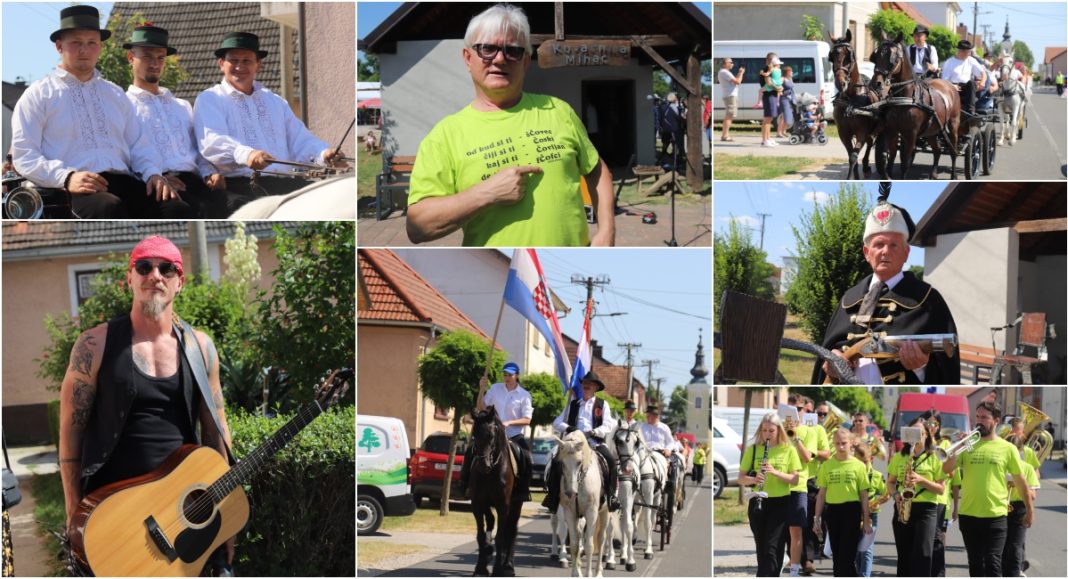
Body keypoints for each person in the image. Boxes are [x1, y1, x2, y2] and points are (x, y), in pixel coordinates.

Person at [58, 236, 233, 575]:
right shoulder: (94, 344)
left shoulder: (200, 347)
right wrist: (71, 510)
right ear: (130, 278)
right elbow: (70, 433)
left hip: (180, 511)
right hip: (115, 513)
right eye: (144, 266)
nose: (156, 275)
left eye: (167, 268)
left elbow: (216, 433)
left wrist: (223, 515)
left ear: (179, 283)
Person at [406, 4, 614, 247]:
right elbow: (417, 226)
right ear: (467, 58)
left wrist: (606, 231)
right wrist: (487, 194)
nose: (500, 59)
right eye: (487, 49)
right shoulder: (445, 135)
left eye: (513, 51)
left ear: (525, 61)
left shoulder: (558, 110)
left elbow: (596, 170)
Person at [10, 5, 181, 219]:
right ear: (59, 46)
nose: (84, 50)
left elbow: (139, 145)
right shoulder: (38, 94)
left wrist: (153, 174)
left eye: (91, 43)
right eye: (76, 43)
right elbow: (24, 154)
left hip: (123, 182)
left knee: (175, 207)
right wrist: (66, 177)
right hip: (70, 188)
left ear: (100, 47)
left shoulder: (115, 94)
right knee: (108, 208)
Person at [194, 32, 346, 213]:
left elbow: (299, 139)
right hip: (240, 184)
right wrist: (247, 154)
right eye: (233, 60)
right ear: (221, 64)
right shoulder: (210, 98)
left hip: (284, 181)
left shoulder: (275, 102)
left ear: (258, 65)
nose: (239, 66)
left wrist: (324, 153)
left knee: (328, 202)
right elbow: (212, 141)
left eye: (246, 61)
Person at [813, 198, 961, 384]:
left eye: (893, 245)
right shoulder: (849, 298)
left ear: (906, 253)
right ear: (867, 253)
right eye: (879, 245)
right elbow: (828, 356)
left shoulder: (929, 301)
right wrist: (831, 363)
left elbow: (946, 371)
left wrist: (921, 367)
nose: (885, 252)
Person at [124, 25, 230, 218]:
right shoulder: (124, 105)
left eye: (160, 57)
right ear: (131, 58)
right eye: (147, 56)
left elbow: (198, 149)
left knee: (234, 205)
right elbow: (126, 154)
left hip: (194, 181)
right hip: (154, 183)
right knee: (181, 211)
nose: (155, 63)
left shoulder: (182, 106)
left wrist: (208, 172)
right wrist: (156, 176)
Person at [942, 400, 1034, 576]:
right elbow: (946, 469)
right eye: (977, 416)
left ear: (996, 421)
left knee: (992, 563)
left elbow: (1021, 481)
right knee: (976, 564)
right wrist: (957, 449)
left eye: (984, 417)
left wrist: (1030, 510)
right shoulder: (967, 445)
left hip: (996, 515)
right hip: (968, 514)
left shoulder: (1007, 448)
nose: (979, 420)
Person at [544, 371, 619, 512]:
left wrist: (594, 432)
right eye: (585, 383)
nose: (587, 385)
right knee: (555, 461)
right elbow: (557, 422)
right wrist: (570, 428)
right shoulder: (573, 404)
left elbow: (609, 425)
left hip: (594, 443)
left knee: (611, 462)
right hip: (574, 445)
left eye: (590, 384)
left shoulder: (602, 405)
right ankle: (552, 497)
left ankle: (611, 496)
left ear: (596, 387)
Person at [739, 412, 802, 577]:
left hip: (780, 503)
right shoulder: (753, 450)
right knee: (761, 547)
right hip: (758, 501)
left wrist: (775, 472)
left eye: (771, 431)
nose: (767, 434)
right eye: (764, 430)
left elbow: (795, 479)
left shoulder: (788, 450)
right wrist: (753, 478)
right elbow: (740, 478)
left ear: (779, 431)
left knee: (772, 547)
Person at [461, 362, 533, 500]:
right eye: (505, 374)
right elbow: (481, 407)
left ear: (517, 376)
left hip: (514, 435)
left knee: (528, 458)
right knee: (471, 449)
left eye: (510, 375)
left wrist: (509, 422)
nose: (507, 377)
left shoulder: (524, 395)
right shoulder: (495, 389)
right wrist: (481, 389)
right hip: (493, 434)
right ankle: (464, 484)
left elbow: (527, 419)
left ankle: (523, 490)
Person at [886, 415, 946, 577]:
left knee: (922, 555)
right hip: (902, 507)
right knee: (904, 556)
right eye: (913, 431)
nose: (917, 435)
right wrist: (896, 495)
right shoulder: (900, 456)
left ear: (927, 435)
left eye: (920, 432)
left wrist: (920, 480)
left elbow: (941, 489)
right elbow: (890, 483)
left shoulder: (935, 457)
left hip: (926, 509)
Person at [813, 428, 871, 577]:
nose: (840, 447)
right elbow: (821, 495)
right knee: (838, 556)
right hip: (833, 511)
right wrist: (816, 518)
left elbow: (864, 495)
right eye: (837, 443)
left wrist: (866, 520)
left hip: (851, 511)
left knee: (847, 556)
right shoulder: (827, 465)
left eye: (844, 443)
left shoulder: (859, 466)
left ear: (851, 443)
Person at [781, 396, 817, 577]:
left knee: (798, 529)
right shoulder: (778, 430)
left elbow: (807, 458)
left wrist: (794, 437)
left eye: (800, 409)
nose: (796, 412)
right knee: (781, 532)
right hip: (779, 486)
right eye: (792, 409)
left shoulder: (809, 431)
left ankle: (796, 568)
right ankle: (784, 562)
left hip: (799, 485)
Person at [1002, 433, 1040, 577]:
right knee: (1000, 545)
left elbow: (1032, 495)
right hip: (998, 506)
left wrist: (1018, 485)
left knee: (1015, 545)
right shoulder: (999, 465)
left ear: (1020, 451)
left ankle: (1014, 572)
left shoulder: (1027, 468)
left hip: (1019, 508)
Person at [802, 399, 831, 576]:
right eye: (816, 413)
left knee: (812, 519)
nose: (819, 417)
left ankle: (809, 559)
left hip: (813, 479)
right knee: (796, 521)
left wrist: (810, 453)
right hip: (792, 478)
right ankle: (796, 556)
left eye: (821, 414)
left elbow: (826, 454)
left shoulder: (819, 430)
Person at [853, 439, 885, 577]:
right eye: (858, 461)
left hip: (872, 514)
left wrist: (878, 501)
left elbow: (885, 493)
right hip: (855, 512)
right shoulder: (853, 474)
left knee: (867, 549)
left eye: (864, 462)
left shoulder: (877, 475)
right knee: (856, 549)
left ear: (871, 459)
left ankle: (864, 575)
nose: (861, 465)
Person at [941, 40, 987, 114]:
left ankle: (970, 111)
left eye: (969, 52)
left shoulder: (971, 60)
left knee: (971, 83)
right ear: (960, 51)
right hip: (952, 87)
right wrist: (952, 86)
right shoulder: (949, 62)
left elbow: (983, 72)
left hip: (966, 87)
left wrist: (982, 82)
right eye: (967, 52)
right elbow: (944, 80)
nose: (969, 54)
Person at [759, 54, 784, 147]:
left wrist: (779, 87)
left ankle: (768, 138)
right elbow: (769, 83)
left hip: (772, 95)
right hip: (768, 95)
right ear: (770, 60)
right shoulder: (766, 70)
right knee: (767, 118)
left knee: (770, 118)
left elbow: (776, 81)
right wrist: (778, 88)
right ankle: (764, 140)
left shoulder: (773, 70)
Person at [718, 58, 744, 142]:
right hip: (730, 96)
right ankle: (725, 135)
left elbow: (734, 81)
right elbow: (738, 82)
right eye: (731, 62)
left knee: (729, 115)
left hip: (730, 95)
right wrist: (741, 73)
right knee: (729, 115)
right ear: (725, 63)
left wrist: (738, 74)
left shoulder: (725, 72)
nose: (732, 64)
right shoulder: (724, 72)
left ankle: (725, 134)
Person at [658, 93, 685, 168]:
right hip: (674, 130)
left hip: (665, 129)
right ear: (674, 99)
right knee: (675, 146)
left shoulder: (662, 107)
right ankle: (676, 163)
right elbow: (679, 118)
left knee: (665, 146)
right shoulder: (676, 107)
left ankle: (662, 161)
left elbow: (660, 119)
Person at [777, 66, 796, 139]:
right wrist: (780, 93)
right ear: (787, 72)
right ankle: (779, 132)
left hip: (790, 99)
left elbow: (791, 87)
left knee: (788, 116)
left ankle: (784, 131)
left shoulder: (790, 79)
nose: (792, 72)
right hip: (784, 99)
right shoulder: (782, 79)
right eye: (791, 71)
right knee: (783, 116)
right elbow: (778, 87)